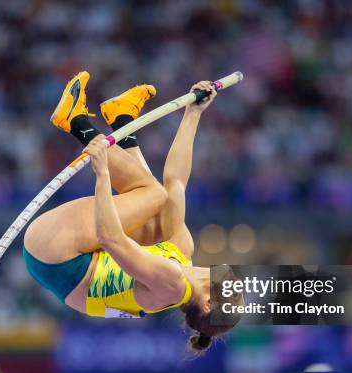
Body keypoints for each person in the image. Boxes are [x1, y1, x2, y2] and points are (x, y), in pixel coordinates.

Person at [23, 71, 243, 354]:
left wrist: (102, 173)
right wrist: (193, 113)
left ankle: (75, 122)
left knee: (152, 195)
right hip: (69, 263)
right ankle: (121, 119)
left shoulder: (172, 284)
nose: (239, 285)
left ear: (208, 304)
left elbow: (111, 239)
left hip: (56, 258)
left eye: (234, 296)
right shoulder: (181, 252)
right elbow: (176, 182)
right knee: (158, 212)